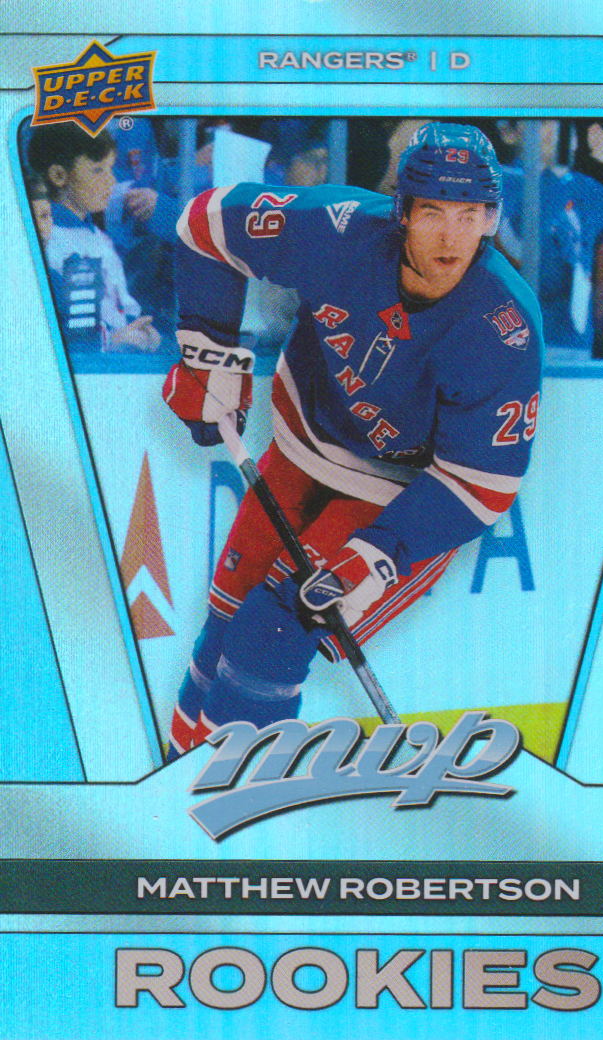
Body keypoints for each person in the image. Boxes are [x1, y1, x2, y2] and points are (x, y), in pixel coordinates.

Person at [162, 122, 544, 761]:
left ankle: (244, 796)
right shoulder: (337, 230)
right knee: (221, 630)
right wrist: (209, 351)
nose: (452, 237)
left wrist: (375, 555)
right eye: (434, 213)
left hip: (402, 494)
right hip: (305, 442)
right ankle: (179, 784)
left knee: (271, 634)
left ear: (491, 217)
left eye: (471, 214)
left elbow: (481, 484)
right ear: (403, 211)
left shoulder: (503, 325)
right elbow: (206, 224)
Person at [497, 120, 603, 352]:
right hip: (509, 345)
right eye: (543, 121)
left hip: (573, 345)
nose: (557, 129)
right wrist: (554, 176)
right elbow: (523, 252)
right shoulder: (494, 182)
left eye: (564, 121)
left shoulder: (584, 189)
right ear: (507, 132)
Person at [26, 123, 161, 353]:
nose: (112, 181)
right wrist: (113, 342)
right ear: (59, 175)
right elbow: (68, 334)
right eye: (98, 170)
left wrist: (141, 328)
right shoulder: (48, 240)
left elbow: (122, 303)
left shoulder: (98, 237)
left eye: (111, 169)